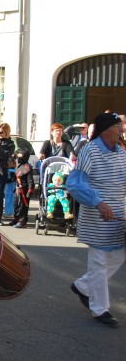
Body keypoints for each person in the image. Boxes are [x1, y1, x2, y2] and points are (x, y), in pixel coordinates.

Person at [67, 112, 126, 327]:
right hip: (97, 218)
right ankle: (100, 309)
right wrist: (98, 202)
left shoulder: (121, 152)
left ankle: (82, 286)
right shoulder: (90, 151)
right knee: (99, 263)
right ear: (106, 129)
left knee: (119, 256)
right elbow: (75, 184)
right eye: (118, 126)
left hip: (118, 217)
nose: (121, 130)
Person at [11, 148, 34, 228]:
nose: (18, 158)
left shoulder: (27, 167)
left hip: (24, 190)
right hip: (17, 189)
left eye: (20, 156)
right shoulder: (19, 165)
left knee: (23, 206)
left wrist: (30, 191)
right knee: (15, 204)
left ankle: (22, 221)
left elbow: (30, 180)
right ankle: (16, 218)